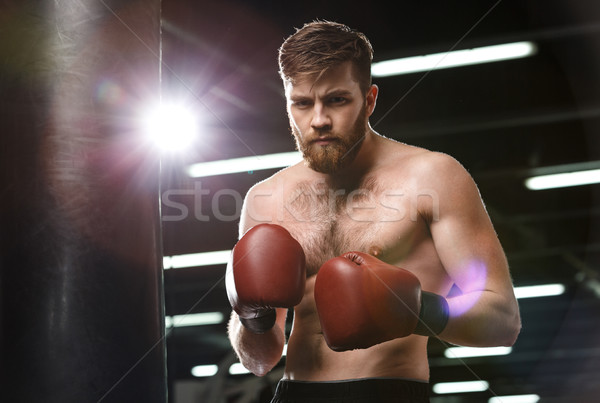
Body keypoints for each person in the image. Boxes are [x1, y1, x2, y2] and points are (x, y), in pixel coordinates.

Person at [226, 20, 521, 402]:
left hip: (390, 391)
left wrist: (414, 312)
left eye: (336, 99)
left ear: (369, 100)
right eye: (302, 103)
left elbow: (503, 321)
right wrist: (253, 316)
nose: (318, 120)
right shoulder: (264, 199)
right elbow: (260, 360)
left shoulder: (432, 176)